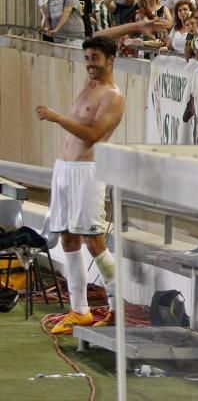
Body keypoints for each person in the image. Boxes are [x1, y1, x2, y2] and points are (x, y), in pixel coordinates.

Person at [36, 36, 125, 335]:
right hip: (64, 169)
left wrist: (57, 118)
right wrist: (139, 24)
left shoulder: (113, 95)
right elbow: (106, 34)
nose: (89, 62)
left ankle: (117, 309)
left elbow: (93, 134)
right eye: (87, 57)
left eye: (95, 57)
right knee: (68, 240)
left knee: (94, 242)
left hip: (87, 171)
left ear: (110, 59)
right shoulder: (90, 86)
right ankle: (79, 310)